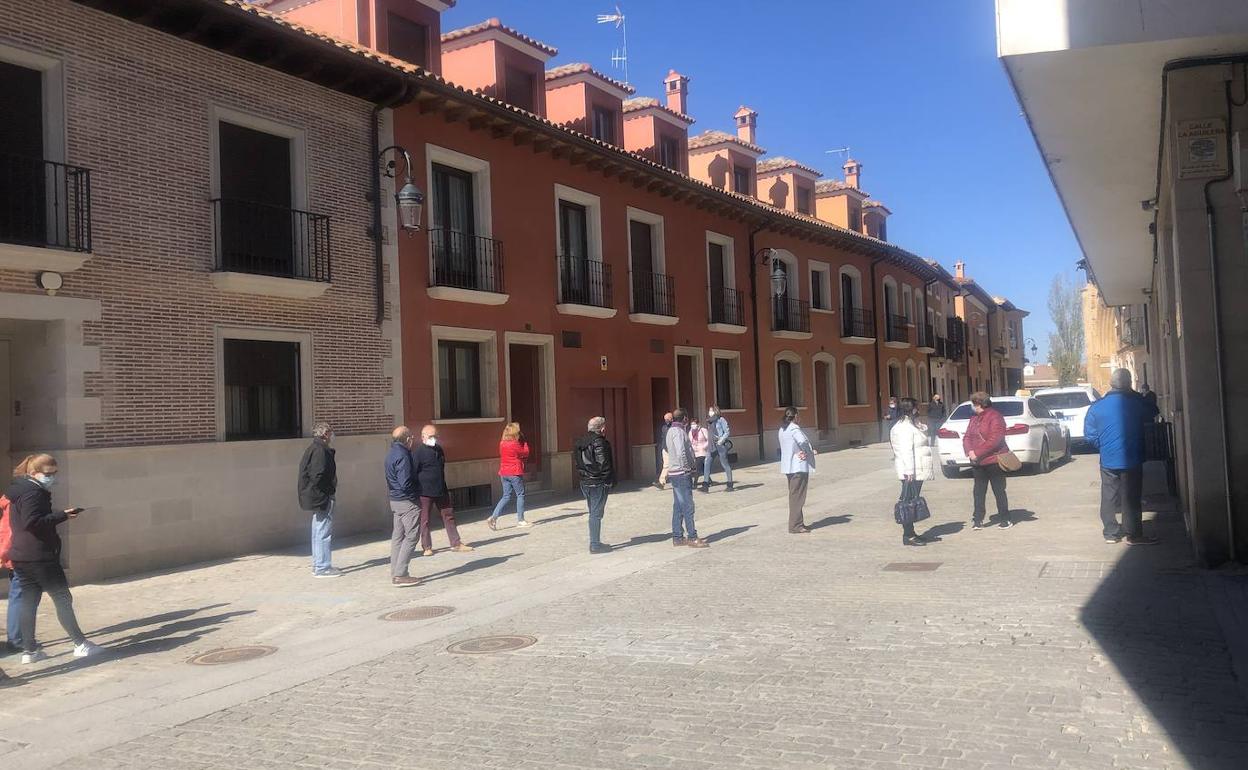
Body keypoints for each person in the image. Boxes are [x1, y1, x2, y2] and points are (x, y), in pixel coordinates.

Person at [6, 454, 102, 664]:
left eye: (55, 473)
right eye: (48, 474)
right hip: (39, 557)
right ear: (33, 473)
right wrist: (62, 515)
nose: (53, 478)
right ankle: (80, 644)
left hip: (22, 555)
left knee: (29, 602)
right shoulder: (34, 493)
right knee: (62, 598)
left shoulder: (19, 490)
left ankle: (30, 651)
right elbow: (33, 522)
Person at [1084, 368, 1160, 545]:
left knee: (1108, 496)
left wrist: (1103, 447)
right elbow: (1153, 411)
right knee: (1131, 497)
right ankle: (1133, 535)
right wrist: (1135, 393)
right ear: (1127, 384)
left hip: (1108, 459)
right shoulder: (1134, 403)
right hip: (1131, 458)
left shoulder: (1096, 407)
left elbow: (1089, 434)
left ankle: (1110, 533)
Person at [411, 425, 474, 556]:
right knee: (425, 520)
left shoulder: (439, 449)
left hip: (441, 489)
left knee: (449, 516)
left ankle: (456, 543)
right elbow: (414, 472)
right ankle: (427, 547)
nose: (434, 439)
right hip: (425, 492)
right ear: (423, 437)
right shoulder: (418, 452)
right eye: (431, 436)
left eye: (435, 436)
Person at [962, 392, 1011, 529]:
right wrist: (970, 451)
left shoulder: (995, 417)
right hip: (978, 462)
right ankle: (977, 519)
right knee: (978, 491)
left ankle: (1005, 518)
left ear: (979, 404)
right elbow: (967, 437)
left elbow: (995, 440)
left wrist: (977, 452)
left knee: (999, 490)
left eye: (974, 404)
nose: (972, 407)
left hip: (994, 459)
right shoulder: (974, 419)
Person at [297, 422, 340, 577]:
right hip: (321, 497)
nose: (332, 435)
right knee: (323, 531)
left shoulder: (314, 448)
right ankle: (322, 566)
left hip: (316, 496)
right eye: (331, 432)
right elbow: (318, 475)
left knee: (317, 530)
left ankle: (318, 564)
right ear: (325, 434)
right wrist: (329, 491)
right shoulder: (320, 451)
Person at [891, 398, 935, 546]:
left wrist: (920, 426)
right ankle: (908, 535)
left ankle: (911, 533)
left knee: (910, 501)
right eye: (917, 407)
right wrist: (909, 471)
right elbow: (906, 451)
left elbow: (919, 437)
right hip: (911, 470)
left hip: (917, 468)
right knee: (908, 503)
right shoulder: (904, 427)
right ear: (913, 409)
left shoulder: (911, 424)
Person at [384, 426, 422, 588]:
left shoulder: (391, 454)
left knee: (398, 536)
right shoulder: (403, 456)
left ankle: (396, 571)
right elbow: (405, 482)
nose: (412, 440)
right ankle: (400, 573)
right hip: (406, 501)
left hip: (395, 499)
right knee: (411, 536)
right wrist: (415, 497)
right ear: (407, 439)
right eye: (411, 437)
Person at [574, 416, 616, 554]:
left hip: (585, 481)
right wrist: (607, 480)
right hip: (597, 482)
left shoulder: (580, 442)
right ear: (602, 428)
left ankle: (595, 541)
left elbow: (578, 462)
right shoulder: (599, 442)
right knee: (596, 514)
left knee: (594, 511)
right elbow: (603, 463)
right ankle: (595, 544)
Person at [666, 409, 707, 547]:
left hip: (674, 472)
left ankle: (677, 536)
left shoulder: (671, 431)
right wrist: (687, 468)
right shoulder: (678, 432)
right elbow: (681, 452)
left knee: (678, 505)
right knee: (688, 505)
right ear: (684, 418)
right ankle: (692, 536)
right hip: (680, 472)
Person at [778, 406, 815, 534]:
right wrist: (807, 451)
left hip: (788, 466)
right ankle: (796, 525)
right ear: (795, 416)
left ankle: (798, 522)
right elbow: (803, 442)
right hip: (798, 466)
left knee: (794, 495)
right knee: (798, 496)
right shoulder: (794, 429)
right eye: (798, 415)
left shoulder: (783, 429)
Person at [489, 423, 531, 530]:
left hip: (504, 473)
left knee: (506, 496)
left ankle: (494, 517)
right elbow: (525, 453)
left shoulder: (502, 443)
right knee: (520, 495)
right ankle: (521, 520)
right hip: (515, 472)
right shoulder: (515, 444)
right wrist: (525, 443)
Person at [703, 406, 735, 492]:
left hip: (720, 444)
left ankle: (730, 484)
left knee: (725, 464)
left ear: (715, 411)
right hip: (711, 445)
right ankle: (705, 485)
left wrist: (721, 440)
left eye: (711, 410)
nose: (709, 412)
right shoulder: (709, 421)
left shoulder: (721, 420)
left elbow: (727, 431)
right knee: (707, 463)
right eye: (709, 410)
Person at [689, 416, 710, 490]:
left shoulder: (703, 430)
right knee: (703, 467)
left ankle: (695, 483)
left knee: (698, 467)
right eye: (691, 424)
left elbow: (709, 440)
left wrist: (704, 446)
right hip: (695, 452)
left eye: (694, 424)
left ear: (698, 424)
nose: (693, 425)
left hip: (703, 451)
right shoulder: (690, 432)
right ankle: (708, 480)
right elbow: (690, 442)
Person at [654, 412, 674, 490]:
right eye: (665, 419)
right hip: (665, 449)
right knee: (666, 465)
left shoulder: (674, 427)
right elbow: (663, 437)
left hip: (673, 449)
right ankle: (661, 482)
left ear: (671, 418)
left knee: (671, 466)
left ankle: (664, 482)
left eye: (667, 419)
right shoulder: (664, 427)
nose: (666, 420)